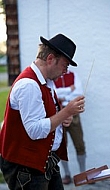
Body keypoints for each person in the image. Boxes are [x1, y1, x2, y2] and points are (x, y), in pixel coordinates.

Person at [0, 34, 85, 190]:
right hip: (26, 167)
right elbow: (34, 130)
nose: (66, 71)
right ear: (50, 59)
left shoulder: (47, 82)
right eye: (65, 65)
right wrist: (66, 112)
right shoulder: (29, 85)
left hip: (45, 161)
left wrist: (62, 119)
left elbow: (46, 116)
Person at [54, 70, 86, 184]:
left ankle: (83, 174)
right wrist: (68, 90)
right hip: (59, 113)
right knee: (61, 146)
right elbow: (53, 93)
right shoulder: (54, 75)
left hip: (74, 115)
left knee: (80, 144)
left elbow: (79, 93)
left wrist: (63, 98)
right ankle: (67, 174)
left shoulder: (73, 75)